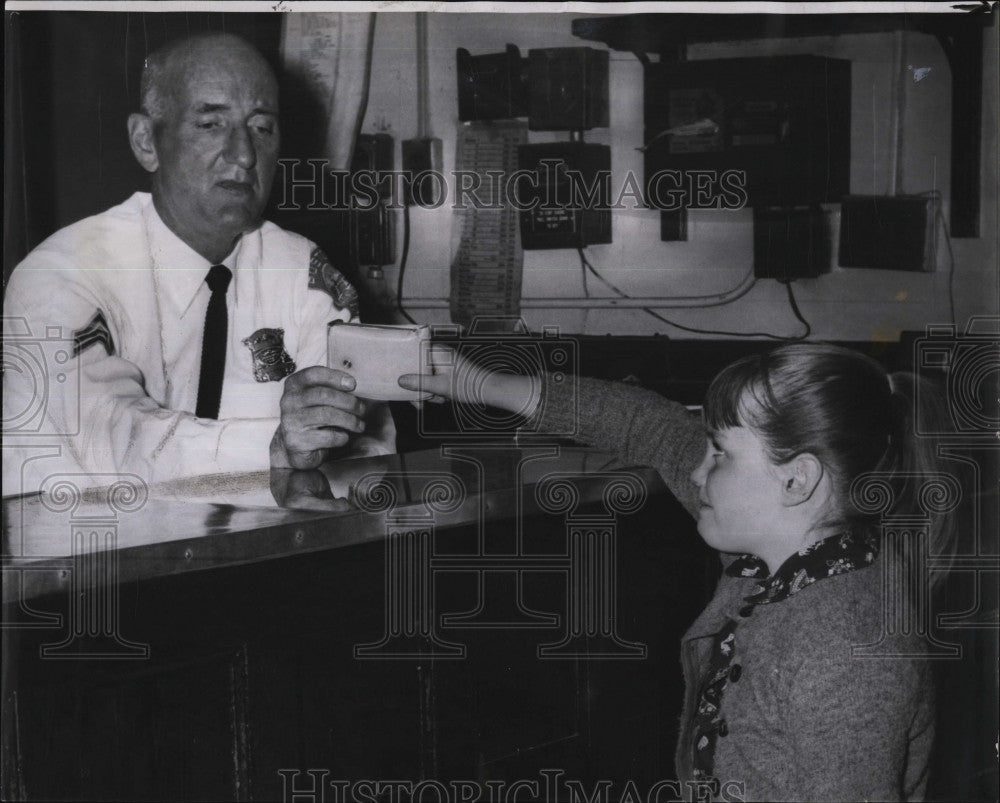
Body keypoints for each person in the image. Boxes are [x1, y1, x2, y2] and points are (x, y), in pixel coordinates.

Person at [399, 342, 954, 801]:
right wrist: (482, 385)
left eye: (719, 454)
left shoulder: (847, 651)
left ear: (797, 480)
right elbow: (650, 425)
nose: (694, 468)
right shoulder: (777, 556)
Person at [3, 32, 394, 495]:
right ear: (146, 141)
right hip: (93, 555)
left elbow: (369, 451)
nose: (245, 155)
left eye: (262, 127)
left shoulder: (301, 272)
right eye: (210, 124)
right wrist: (273, 449)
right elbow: (108, 440)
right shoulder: (62, 275)